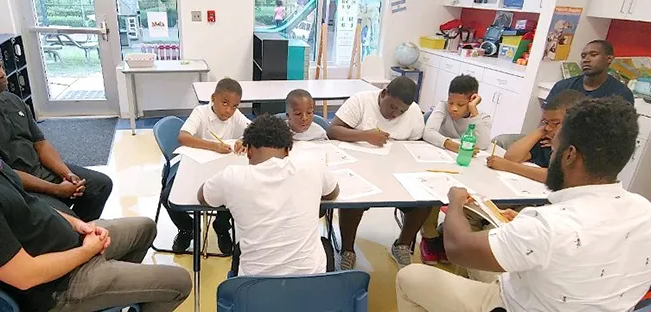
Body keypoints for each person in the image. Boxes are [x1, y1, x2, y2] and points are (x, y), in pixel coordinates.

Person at [0, 55, 191, 312]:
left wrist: (77, 224)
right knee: (179, 282)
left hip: (67, 245)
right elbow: (26, 276)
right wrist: (88, 251)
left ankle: (114, 297)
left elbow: (25, 200)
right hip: (57, 287)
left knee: (144, 228)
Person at [396, 97, 651, 312]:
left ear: (569, 155)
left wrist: (455, 203)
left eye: (555, 148)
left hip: (516, 305)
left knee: (410, 277)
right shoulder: (650, 215)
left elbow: (458, 249)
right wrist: (521, 228)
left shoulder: (548, 225)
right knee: (489, 250)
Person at [0, 43, 112, 222]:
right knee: (64, 219)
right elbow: (4, 173)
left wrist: (67, 174)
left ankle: (79, 231)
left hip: (39, 169)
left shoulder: (13, 100)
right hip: (16, 185)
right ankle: (70, 230)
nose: (1, 73)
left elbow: (40, 143)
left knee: (100, 185)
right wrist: (56, 189)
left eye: (0, 65)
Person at [197, 114, 339, 276]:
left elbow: (203, 198)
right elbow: (332, 192)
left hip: (254, 285)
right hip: (312, 282)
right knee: (325, 245)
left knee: (239, 250)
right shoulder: (312, 166)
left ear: (248, 151)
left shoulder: (231, 177)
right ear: (288, 151)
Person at [327, 76, 428, 270]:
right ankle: (347, 250)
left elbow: (416, 146)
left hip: (396, 173)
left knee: (424, 200)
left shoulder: (414, 112)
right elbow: (333, 130)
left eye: (401, 111)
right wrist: (366, 135)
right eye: (392, 107)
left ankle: (402, 245)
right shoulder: (361, 100)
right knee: (352, 201)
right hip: (359, 170)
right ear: (383, 94)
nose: (395, 114)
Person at [167, 78, 251, 254]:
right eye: (225, 103)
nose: (229, 110)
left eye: (234, 106)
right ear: (213, 98)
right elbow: (183, 137)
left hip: (221, 169)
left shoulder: (235, 115)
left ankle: (221, 227)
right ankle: (187, 228)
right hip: (196, 167)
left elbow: (253, 130)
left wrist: (244, 140)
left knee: (234, 192)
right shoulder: (200, 112)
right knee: (167, 196)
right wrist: (213, 146)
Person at [419, 74, 492, 265]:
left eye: (460, 104)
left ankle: (447, 237)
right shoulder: (442, 107)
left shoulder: (481, 117)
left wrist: (473, 112)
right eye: (451, 102)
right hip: (438, 164)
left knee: (468, 195)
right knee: (432, 193)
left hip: (466, 169)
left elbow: (484, 143)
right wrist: (454, 146)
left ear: (473, 99)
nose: (453, 108)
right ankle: (429, 237)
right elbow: (428, 132)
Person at [487, 89, 586, 183]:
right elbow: (511, 157)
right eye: (545, 122)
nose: (548, 128)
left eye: (555, 123)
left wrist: (509, 166)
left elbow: (558, 176)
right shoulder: (546, 141)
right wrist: (540, 131)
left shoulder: (581, 148)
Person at [545, 40, 634, 104]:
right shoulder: (563, 86)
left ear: (609, 59)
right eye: (583, 56)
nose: (586, 60)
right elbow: (547, 119)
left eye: (593, 55)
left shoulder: (621, 94)